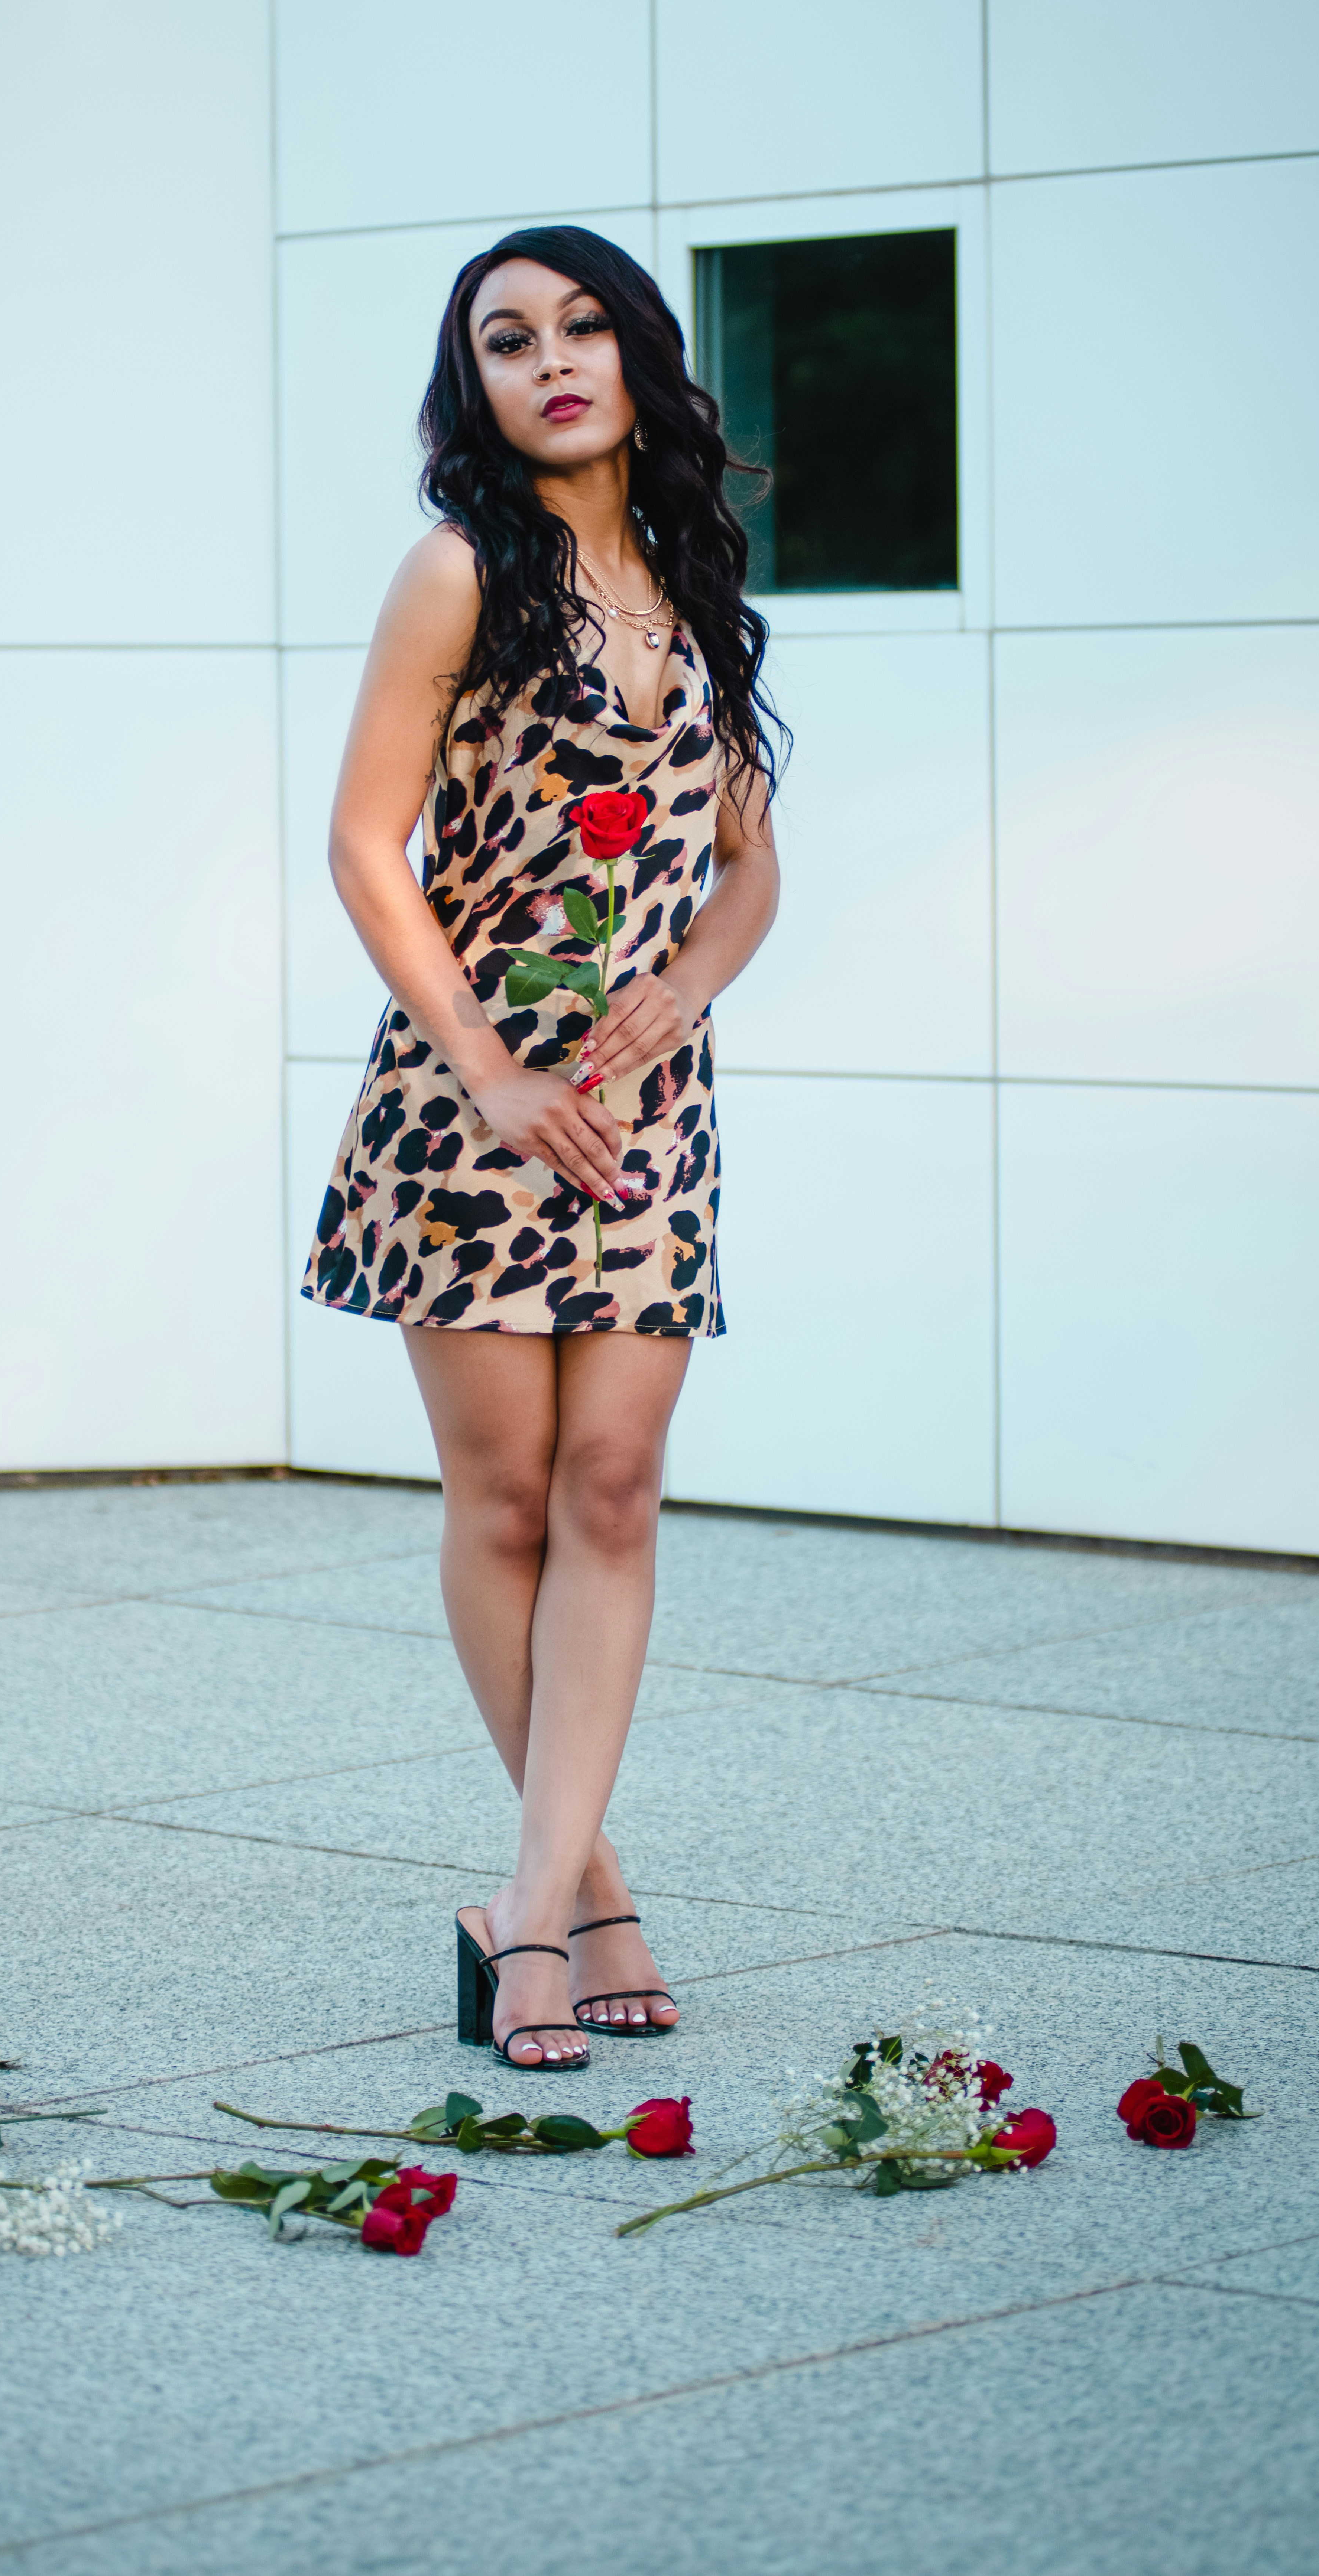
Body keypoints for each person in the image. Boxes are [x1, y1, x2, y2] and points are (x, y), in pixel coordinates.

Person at [305, 225, 784, 2069]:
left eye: (583, 326)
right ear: (476, 388)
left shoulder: (695, 576)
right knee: (506, 1501)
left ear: (639, 358)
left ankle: (528, 1903)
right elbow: (363, 844)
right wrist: (493, 1071)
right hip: (472, 1105)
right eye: (508, 341)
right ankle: (575, 1899)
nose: (552, 360)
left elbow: (746, 867)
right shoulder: (458, 572)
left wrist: (692, 984)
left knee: (613, 1491)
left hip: (651, 1111)